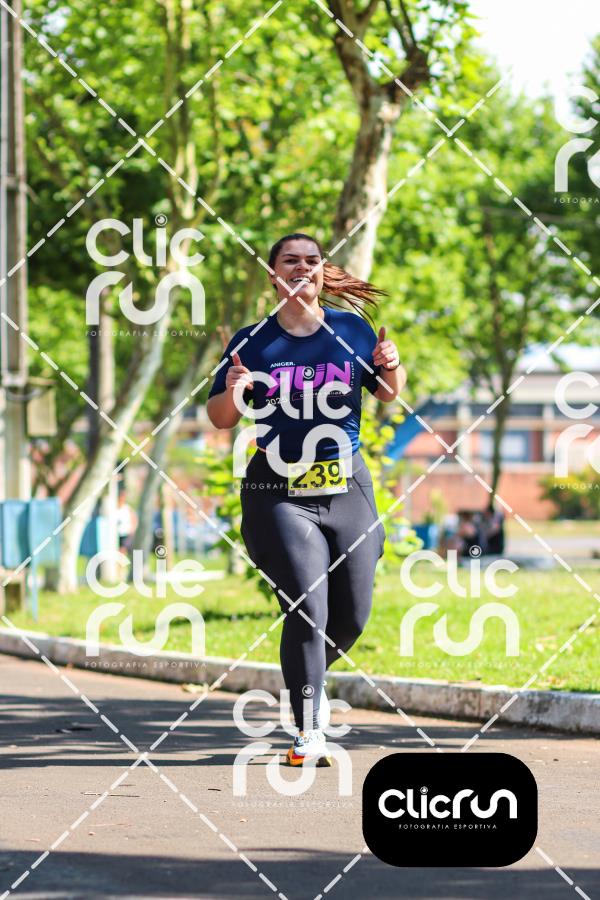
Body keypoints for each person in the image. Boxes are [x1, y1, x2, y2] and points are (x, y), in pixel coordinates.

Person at [207, 233, 405, 767]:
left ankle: (307, 673)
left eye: (311, 260)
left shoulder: (351, 330)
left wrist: (391, 362)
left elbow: (388, 393)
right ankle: (309, 728)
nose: (302, 267)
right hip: (278, 491)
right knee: (306, 608)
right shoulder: (253, 340)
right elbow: (220, 418)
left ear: (322, 270)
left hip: (347, 486)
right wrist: (234, 388)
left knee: (351, 617)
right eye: (290, 260)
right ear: (273, 274)